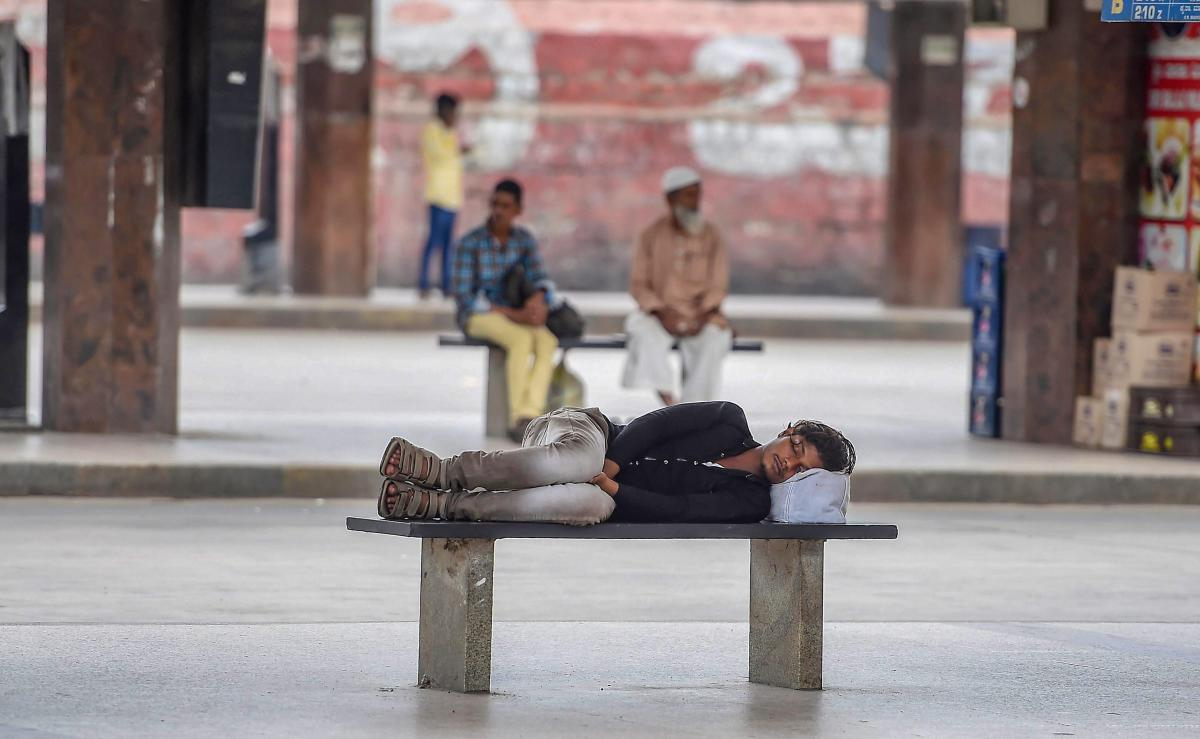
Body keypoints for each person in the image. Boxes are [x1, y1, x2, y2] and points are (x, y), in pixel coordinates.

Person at [376, 401, 855, 526]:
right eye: (794, 450)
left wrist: (615, 492)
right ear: (788, 432)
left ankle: (444, 506)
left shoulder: (747, 501)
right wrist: (615, 465)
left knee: (591, 508)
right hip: (583, 433)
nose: (786, 466)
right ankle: (443, 472)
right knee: (581, 460)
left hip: (601, 490)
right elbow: (657, 424)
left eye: (800, 470)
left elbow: (683, 512)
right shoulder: (729, 420)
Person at [452, 179, 559, 441]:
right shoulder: (472, 242)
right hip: (478, 316)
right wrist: (513, 314)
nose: (499, 211)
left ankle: (530, 415)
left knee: (547, 341)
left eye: (506, 206)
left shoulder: (523, 241)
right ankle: (518, 419)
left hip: (516, 314)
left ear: (518, 210)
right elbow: (465, 297)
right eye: (495, 204)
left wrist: (539, 300)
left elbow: (541, 279)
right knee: (521, 340)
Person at [623, 166, 732, 406]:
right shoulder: (650, 235)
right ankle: (671, 405)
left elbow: (718, 284)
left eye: (697, 194)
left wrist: (702, 315)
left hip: (702, 315)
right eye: (688, 195)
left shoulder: (712, 235)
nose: (695, 202)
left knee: (714, 340)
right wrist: (662, 312)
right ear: (670, 198)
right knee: (641, 330)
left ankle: (693, 410)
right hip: (660, 313)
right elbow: (638, 285)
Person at [418, 93, 468, 299]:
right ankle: (423, 283)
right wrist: (459, 150)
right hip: (438, 195)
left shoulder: (451, 133)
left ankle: (447, 284)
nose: (456, 117)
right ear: (444, 111)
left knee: (449, 245)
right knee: (433, 242)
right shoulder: (433, 131)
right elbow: (441, 155)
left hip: (452, 197)